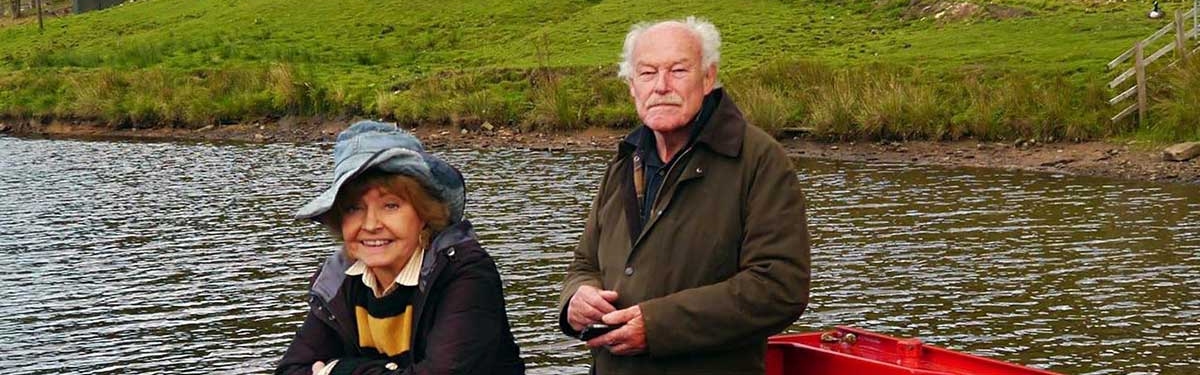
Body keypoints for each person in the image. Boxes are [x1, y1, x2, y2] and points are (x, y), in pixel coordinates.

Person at [558, 17, 811, 374]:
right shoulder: (623, 163)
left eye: (678, 70)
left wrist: (658, 326)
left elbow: (779, 287)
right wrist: (575, 301)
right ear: (632, 86)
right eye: (647, 73)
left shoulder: (759, 161)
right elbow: (584, 265)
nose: (661, 86)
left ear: (708, 78)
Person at [276, 121, 525, 375]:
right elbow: (291, 369)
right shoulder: (338, 281)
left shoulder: (464, 272)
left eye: (391, 205)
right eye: (353, 208)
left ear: (425, 213)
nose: (371, 225)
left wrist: (337, 370)